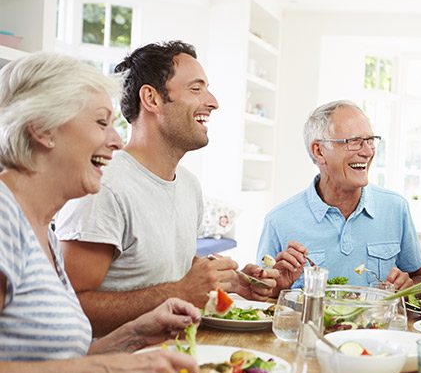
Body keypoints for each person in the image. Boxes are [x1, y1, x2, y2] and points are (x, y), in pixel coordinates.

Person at [0, 52, 199, 373]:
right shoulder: (3, 216)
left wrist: (134, 335)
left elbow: (53, 369)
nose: (117, 141)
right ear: (43, 129)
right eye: (100, 123)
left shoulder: (40, 227)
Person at [55, 40, 278, 336]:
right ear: (152, 98)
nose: (212, 101)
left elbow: (166, 271)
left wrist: (234, 283)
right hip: (116, 370)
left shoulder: (189, 186)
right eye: (196, 89)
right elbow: (71, 307)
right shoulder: (104, 186)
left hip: (176, 358)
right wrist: (182, 291)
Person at [257, 100, 421, 294]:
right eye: (354, 142)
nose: (367, 151)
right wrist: (277, 289)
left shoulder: (395, 208)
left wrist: (410, 286)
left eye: (370, 140)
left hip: (377, 325)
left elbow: (420, 278)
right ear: (319, 151)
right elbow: (261, 298)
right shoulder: (279, 220)